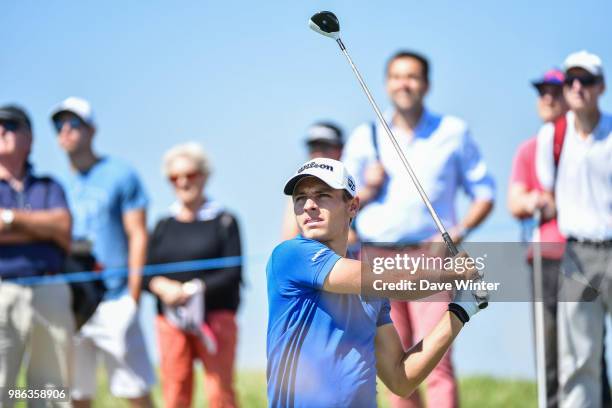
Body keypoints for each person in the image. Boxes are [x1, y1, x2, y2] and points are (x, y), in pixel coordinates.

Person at [341, 50, 495, 407]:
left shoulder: (453, 132)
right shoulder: (366, 136)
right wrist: (367, 188)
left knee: (435, 357)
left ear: (426, 84)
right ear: (385, 84)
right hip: (376, 256)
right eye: (396, 77)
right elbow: (342, 201)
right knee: (395, 367)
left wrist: (457, 233)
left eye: (412, 77)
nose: (404, 84)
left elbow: (484, 193)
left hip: (429, 257)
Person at [267, 157, 486, 408]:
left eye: (322, 195)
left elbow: (400, 378)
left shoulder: (371, 287)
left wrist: (461, 311)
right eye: (300, 198)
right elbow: (396, 282)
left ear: (352, 206)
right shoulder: (290, 255)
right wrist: (452, 274)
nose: (308, 205)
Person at [50, 97, 155, 408]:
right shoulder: (57, 186)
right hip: (74, 303)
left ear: (91, 130)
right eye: (59, 125)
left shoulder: (121, 174)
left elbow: (138, 233)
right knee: (77, 394)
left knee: (133, 388)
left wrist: (132, 298)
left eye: (73, 123)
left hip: (114, 298)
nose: (66, 131)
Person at [535, 50, 612, 408]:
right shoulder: (551, 136)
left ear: (601, 87)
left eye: (586, 80)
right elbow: (549, 196)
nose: (578, 87)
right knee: (579, 359)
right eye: (571, 81)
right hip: (576, 255)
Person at [145, 142, 242, 408]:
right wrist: (161, 285)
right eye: (176, 177)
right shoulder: (163, 225)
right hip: (171, 321)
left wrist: (192, 289)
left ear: (204, 176)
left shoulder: (225, 221)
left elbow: (233, 273)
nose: (184, 182)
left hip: (216, 318)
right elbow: (146, 273)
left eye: (191, 175)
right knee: (175, 391)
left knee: (219, 392)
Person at [0, 105, 74, 407]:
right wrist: (39, 228)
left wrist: (8, 221)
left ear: (29, 138)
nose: (2, 130)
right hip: (3, 290)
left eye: (11, 125)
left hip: (50, 290)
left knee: (50, 392)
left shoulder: (49, 186)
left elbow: (63, 228)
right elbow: (52, 227)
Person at [508, 68, 567, 408]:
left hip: (585, 253)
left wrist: (558, 202)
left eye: (555, 91)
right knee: (549, 345)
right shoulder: (530, 149)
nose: (547, 98)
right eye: (542, 91)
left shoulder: (586, 144)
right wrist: (534, 201)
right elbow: (515, 200)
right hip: (545, 256)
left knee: (588, 345)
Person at [281, 122, 344, 240]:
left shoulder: (357, 180)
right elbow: (289, 237)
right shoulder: (297, 186)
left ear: (341, 149)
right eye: (313, 147)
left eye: (325, 147)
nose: (318, 153)